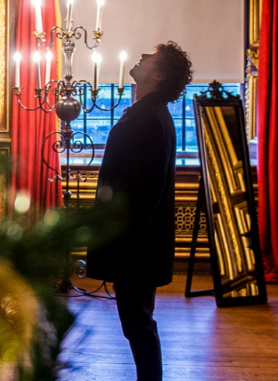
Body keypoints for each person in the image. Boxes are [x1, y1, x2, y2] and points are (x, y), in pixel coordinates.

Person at [85, 41, 193, 381]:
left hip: (136, 245)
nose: (142, 57)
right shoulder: (146, 112)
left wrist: (117, 236)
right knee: (136, 321)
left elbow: (145, 191)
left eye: (151, 57)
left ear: (158, 74)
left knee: (138, 323)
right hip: (136, 242)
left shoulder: (148, 118)